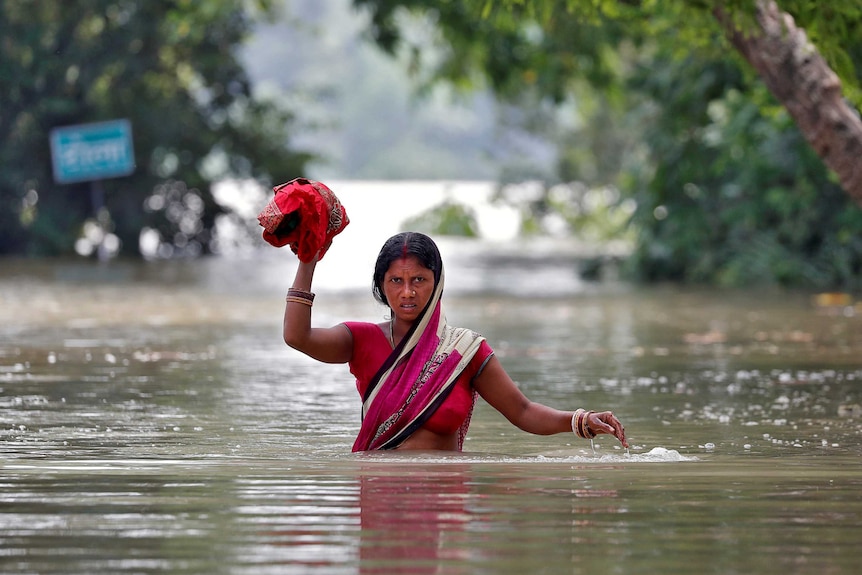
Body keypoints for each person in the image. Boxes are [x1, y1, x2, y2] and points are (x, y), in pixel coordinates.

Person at [282, 231, 628, 452]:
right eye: (396, 280)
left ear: (438, 282)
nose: (407, 292)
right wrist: (308, 260)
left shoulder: (465, 351)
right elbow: (297, 337)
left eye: (419, 279)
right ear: (381, 286)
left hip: (444, 499)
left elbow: (522, 411)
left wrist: (580, 420)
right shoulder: (360, 339)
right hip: (378, 492)